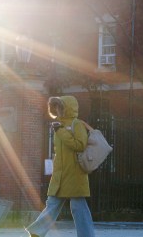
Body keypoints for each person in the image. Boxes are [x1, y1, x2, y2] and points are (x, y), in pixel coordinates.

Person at [25, 95, 95, 237]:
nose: (56, 109)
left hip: (75, 174)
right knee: (52, 204)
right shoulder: (59, 124)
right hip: (60, 173)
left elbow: (80, 145)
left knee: (78, 207)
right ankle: (36, 233)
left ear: (66, 108)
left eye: (59, 106)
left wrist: (61, 132)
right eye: (55, 106)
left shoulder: (77, 124)